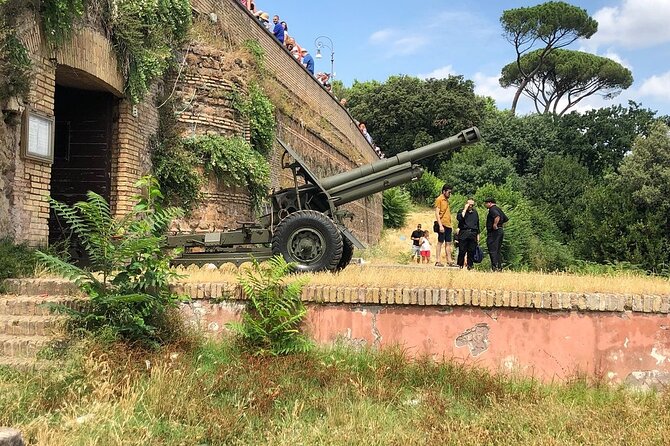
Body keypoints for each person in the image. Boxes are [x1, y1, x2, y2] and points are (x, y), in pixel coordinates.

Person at [456, 198, 480, 270]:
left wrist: (478, 235)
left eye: (472, 205)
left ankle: (470, 266)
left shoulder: (475, 212)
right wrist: (465, 209)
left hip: (473, 233)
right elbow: (460, 218)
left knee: (471, 251)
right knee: (462, 250)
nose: (471, 206)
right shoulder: (461, 211)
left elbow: (477, 224)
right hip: (464, 232)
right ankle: (460, 265)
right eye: (469, 205)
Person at [484, 197, 507, 271]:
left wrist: (495, 224)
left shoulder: (492, 209)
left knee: (493, 249)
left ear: (490, 203)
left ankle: (495, 267)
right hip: (500, 231)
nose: (485, 204)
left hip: (494, 232)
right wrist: (501, 226)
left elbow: (497, 216)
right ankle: (499, 267)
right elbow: (505, 219)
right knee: (497, 250)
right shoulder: (498, 209)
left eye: (486, 203)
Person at [433, 184, 453, 267]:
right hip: (442, 223)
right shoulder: (439, 199)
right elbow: (437, 213)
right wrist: (440, 225)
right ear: (444, 191)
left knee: (448, 243)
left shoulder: (447, 200)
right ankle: (437, 260)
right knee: (440, 242)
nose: (450, 194)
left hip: (448, 224)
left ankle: (449, 261)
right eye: (448, 192)